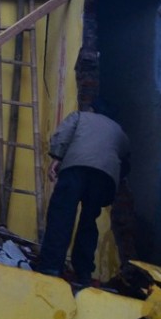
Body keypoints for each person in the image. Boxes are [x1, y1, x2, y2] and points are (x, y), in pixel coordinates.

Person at [37, 100, 130, 285]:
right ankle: (84, 272)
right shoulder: (119, 131)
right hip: (104, 177)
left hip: (75, 169)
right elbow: (125, 158)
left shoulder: (80, 116)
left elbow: (63, 135)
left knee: (61, 216)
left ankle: (51, 267)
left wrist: (56, 157)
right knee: (88, 221)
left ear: (92, 109)